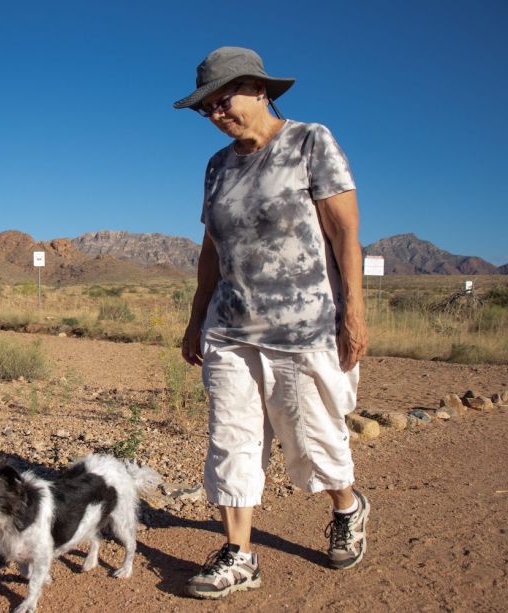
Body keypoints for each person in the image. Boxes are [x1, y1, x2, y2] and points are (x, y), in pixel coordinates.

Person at [173, 46, 370, 599]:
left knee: (312, 439)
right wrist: (196, 318)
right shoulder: (217, 167)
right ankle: (238, 553)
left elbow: (344, 234)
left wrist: (353, 311)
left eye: (223, 99)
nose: (216, 113)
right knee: (231, 440)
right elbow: (211, 249)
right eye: (206, 107)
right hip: (230, 328)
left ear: (260, 90)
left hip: (305, 327)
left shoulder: (310, 141)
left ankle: (348, 507)